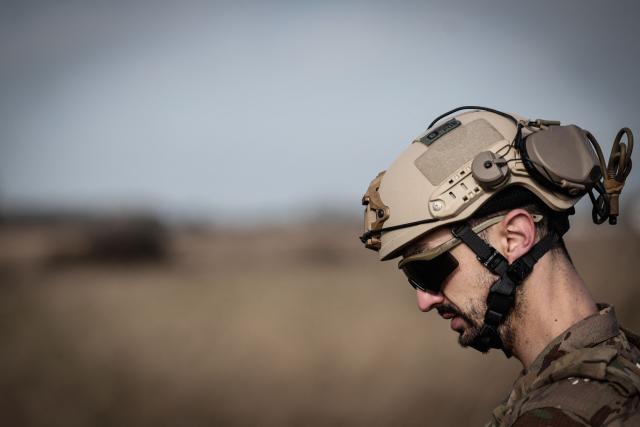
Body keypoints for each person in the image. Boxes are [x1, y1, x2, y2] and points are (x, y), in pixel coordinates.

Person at [359, 106, 638, 426]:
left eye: (428, 270)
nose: (425, 300)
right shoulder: (622, 360)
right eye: (414, 279)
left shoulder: (565, 415)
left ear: (515, 237)